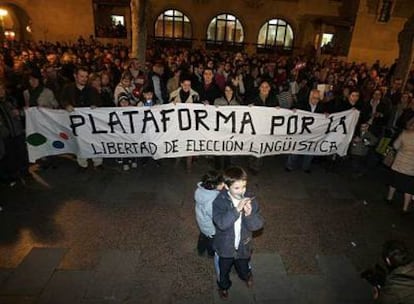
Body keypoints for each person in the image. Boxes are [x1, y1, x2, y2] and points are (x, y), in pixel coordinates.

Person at [213, 166, 264, 299]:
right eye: (237, 188)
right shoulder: (219, 201)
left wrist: (249, 214)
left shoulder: (252, 201)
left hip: (243, 245)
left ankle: (246, 275)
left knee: (244, 266)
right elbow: (222, 224)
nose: (242, 191)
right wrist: (236, 210)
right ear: (226, 186)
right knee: (223, 270)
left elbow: (257, 226)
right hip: (225, 247)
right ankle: (223, 286)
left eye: (244, 186)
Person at [60, 66, 103, 170]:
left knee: (94, 141)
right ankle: (82, 163)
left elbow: (99, 102)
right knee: (79, 142)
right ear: (75, 76)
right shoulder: (68, 88)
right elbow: (62, 99)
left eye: (86, 76)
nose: (84, 79)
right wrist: (66, 105)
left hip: (90, 121)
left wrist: (95, 105)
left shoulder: (92, 89)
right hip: (75, 121)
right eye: (81, 76)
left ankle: (97, 162)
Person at [385, 117, 414, 214]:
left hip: (399, 163)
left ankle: (389, 198)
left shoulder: (404, 134)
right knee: (409, 189)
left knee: (394, 182)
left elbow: (396, 145)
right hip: (411, 167)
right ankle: (405, 208)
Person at [194, 170, 225, 257]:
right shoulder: (211, 201)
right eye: (221, 183)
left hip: (201, 220)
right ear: (212, 185)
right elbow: (215, 216)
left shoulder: (201, 190)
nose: (223, 184)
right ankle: (211, 254)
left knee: (203, 236)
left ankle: (200, 250)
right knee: (212, 241)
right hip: (210, 227)